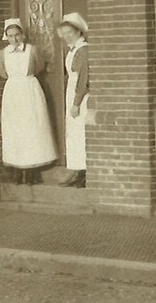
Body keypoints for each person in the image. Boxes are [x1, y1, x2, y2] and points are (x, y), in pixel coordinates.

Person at [0, 18, 57, 185]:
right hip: (12, 93)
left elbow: (38, 67)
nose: (14, 39)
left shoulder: (32, 50)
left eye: (17, 35)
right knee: (15, 130)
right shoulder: (3, 54)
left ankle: (32, 172)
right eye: (10, 36)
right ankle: (17, 170)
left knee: (32, 128)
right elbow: (2, 73)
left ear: (22, 35)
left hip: (30, 89)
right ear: (6, 37)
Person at [57, 13, 89, 188]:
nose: (67, 36)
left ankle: (83, 171)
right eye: (64, 33)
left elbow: (84, 79)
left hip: (80, 95)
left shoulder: (83, 50)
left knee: (80, 132)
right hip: (72, 92)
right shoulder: (72, 50)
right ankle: (77, 170)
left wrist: (76, 103)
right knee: (74, 133)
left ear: (78, 31)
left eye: (70, 32)